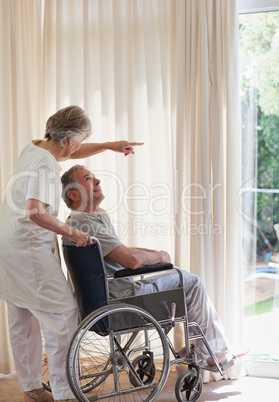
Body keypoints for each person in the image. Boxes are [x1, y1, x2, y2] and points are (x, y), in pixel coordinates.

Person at [0, 105, 143, 402]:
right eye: (78, 143)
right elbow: (35, 212)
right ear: (69, 140)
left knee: (22, 314)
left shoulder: (36, 147)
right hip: (27, 247)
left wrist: (108, 145)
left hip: (8, 242)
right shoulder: (45, 166)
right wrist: (72, 232)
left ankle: (30, 386)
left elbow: (67, 152)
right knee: (64, 316)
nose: (77, 150)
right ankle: (65, 393)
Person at [61, 164, 240, 367]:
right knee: (190, 282)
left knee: (178, 277)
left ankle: (205, 347)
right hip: (122, 300)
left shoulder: (94, 217)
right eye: (88, 179)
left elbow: (121, 250)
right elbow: (132, 261)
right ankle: (213, 353)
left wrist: (155, 255)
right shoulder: (85, 224)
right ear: (74, 195)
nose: (97, 181)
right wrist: (160, 257)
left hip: (108, 298)